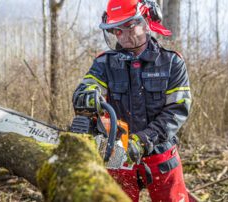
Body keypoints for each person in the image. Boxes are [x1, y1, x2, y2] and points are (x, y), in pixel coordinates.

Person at [73, 0, 192, 201]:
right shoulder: (105, 63)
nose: (124, 35)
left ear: (147, 21)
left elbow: (176, 111)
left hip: (160, 153)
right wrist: (88, 94)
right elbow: (88, 84)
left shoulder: (171, 62)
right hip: (118, 152)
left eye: (129, 26)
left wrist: (143, 140)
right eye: (117, 30)